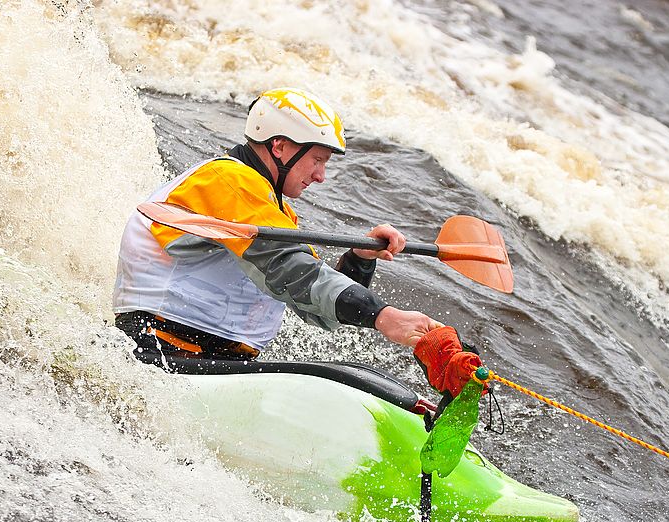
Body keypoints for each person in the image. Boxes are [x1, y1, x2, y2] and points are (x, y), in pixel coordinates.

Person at [112, 87, 442, 364]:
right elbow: (291, 270)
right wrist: (383, 315)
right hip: (161, 348)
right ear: (279, 146)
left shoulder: (267, 206)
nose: (320, 176)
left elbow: (315, 306)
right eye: (317, 160)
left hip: (206, 356)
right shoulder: (229, 181)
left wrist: (360, 258)